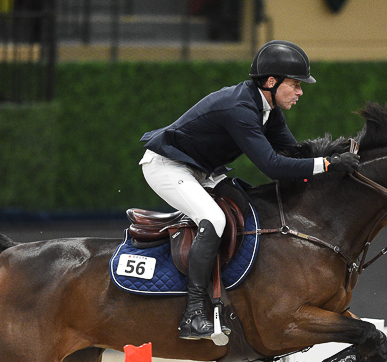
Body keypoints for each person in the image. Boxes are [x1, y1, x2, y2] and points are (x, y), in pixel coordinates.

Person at [139, 40, 359, 342]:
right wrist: (327, 165)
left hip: (201, 170)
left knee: (246, 206)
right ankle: (192, 315)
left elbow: (293, 153)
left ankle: (235, 296)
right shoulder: (240, 108)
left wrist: (335, 153)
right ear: (271, 81)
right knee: (213, 220)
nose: (300, 92)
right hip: (167, 166)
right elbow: (273, 166)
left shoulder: (267, 109)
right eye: (295, 85)